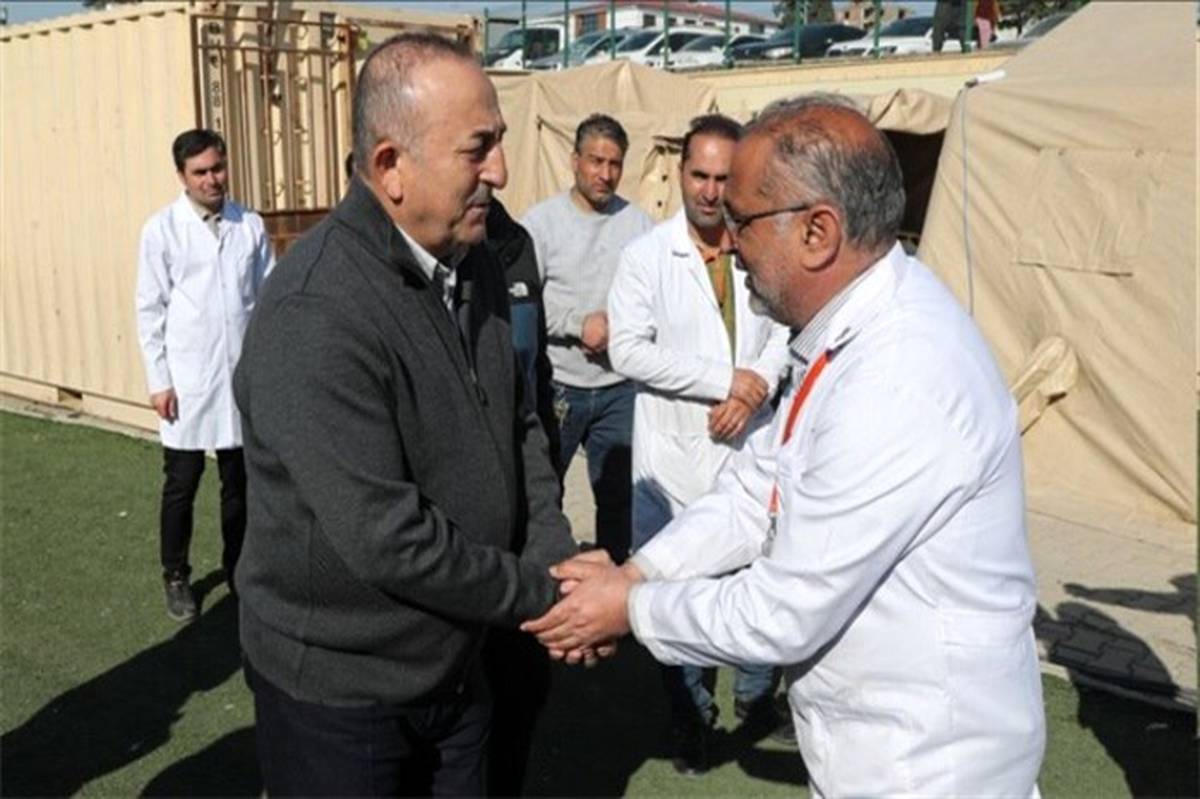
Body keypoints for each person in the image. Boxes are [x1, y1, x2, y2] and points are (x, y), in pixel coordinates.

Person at [524, 94, 1047, 796]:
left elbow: (783, 609)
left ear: (817, 232)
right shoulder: (840, 333)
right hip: (869, 754)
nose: (729, 240)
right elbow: (755, 489)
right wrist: (640, 573)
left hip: (928, 771)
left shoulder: (900, 372)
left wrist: (627, 608)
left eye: (742, 220)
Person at [232, 33, 580, 796]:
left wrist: (555, 559)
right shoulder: (315, 310)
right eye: (477, 148)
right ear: (391, 166)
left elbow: (519, 422)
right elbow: (388, 538)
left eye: (499, 142)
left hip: (458, 662)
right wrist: (546, 596)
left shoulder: (476, 259)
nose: (501, 171)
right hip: (344, 698)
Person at [606, 113, 791, 773]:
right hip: (675, 459)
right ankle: (691, 718)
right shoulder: (646, 257)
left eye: (723, 178)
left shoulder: (761, 244)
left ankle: (755, 699)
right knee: (679, 598)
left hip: (750, 446)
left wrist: (753, 390)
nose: (711, 192)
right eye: (699, 176)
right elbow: (627, 350)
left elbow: (784, 328)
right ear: (680, 173)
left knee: (760, 584)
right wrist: (723, 381)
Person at [135, 128, 274, 622]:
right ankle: (176, 573)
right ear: (182, 176)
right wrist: (159, 380)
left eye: (217, 168)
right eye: (200, 172)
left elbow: (267, 301)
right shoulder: (162, 230)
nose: (212, 179)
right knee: (182, 481)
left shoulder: (249, 225)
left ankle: (239, 569)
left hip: (239, 377)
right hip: (188, 380)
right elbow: (149, 309)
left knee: (240, 482)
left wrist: (266, 370)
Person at [521, 114, 654, 563]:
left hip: (620, 388)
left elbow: (655, 298)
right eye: (596, 161)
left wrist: (625, 325)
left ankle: (611, 583)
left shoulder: (639, 225)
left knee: (619, 498)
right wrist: (578, 325)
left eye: (614, 164)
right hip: (558, 386)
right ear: (574, 160)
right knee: (544, 495)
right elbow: (524, 302)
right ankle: (547, 581)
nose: (605, 173)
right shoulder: (541, 224)